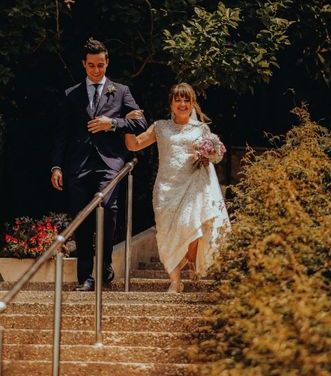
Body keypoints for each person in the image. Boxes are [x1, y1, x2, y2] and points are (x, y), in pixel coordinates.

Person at [51, 38, 147, 291]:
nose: (96, 70)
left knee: (107, 208)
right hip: (78, 165)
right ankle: (85, 277)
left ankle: (104, 264)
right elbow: (62, 133)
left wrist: (112, 123)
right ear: (84, 64)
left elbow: (141, 123)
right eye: (92, 65)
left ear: (107, 63)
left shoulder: (121, 91)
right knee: (82, 218)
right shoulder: (71, 94)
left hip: (110, 162)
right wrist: (56, 166)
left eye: (101, 65)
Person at [124, 83, 230, 293]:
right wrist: (128, 124)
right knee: (166, 234)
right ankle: (175, 281)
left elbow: (216, 155)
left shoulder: (201, 129)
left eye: (186, 100)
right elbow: (134, 144)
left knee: (193, 227)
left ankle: (191, 259)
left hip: (193, 186)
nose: (182, 104)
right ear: (171, 103)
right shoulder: (160, 127)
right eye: (178, 100)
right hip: (166, 190)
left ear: (192, 104)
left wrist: (209, 156)